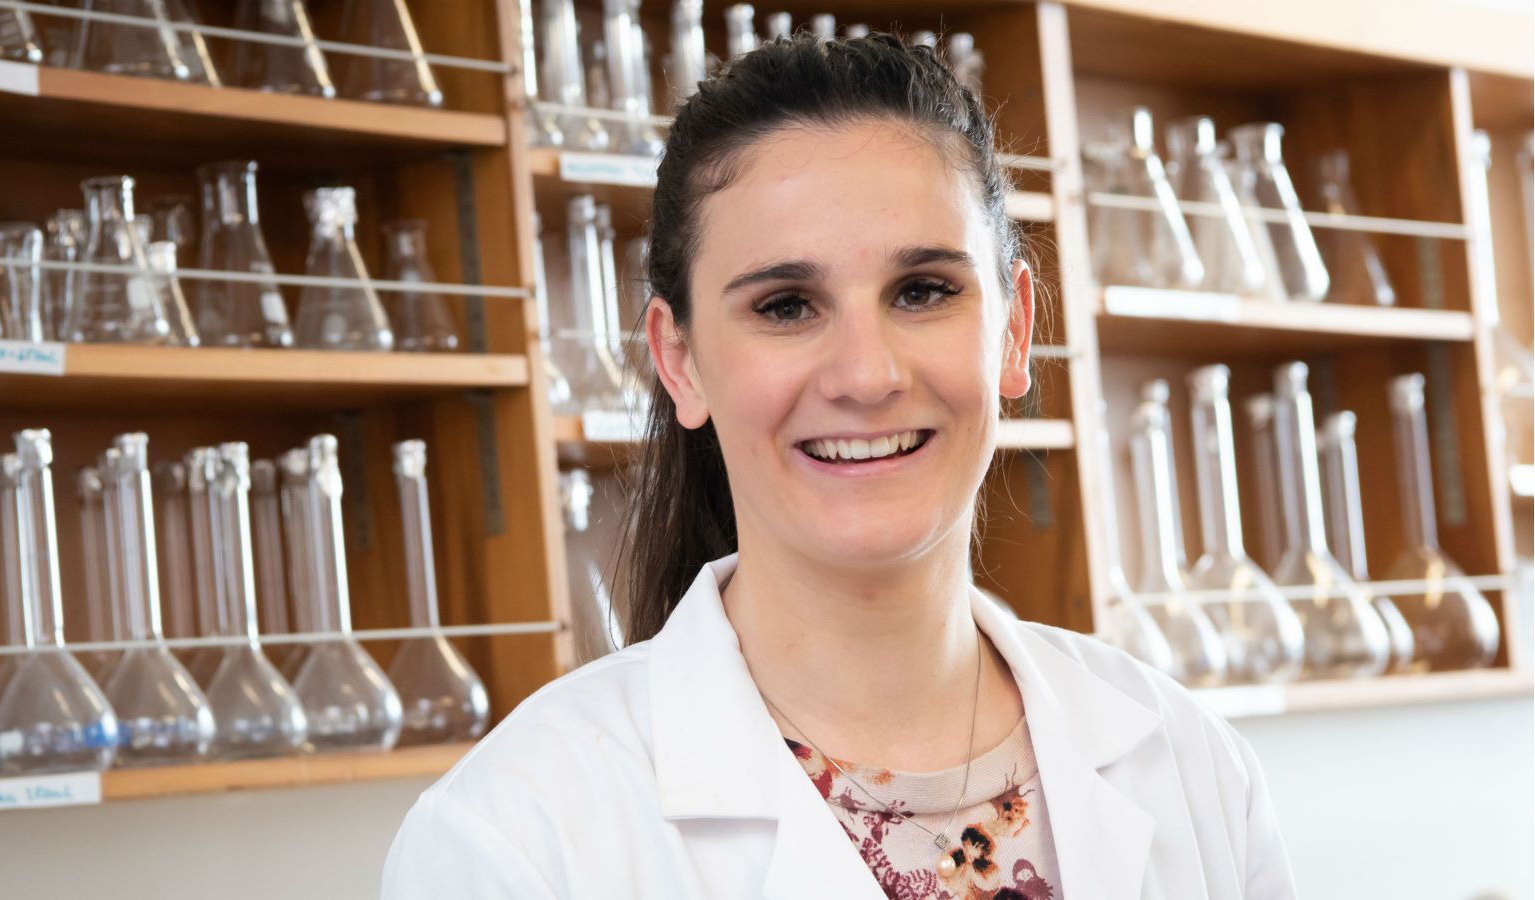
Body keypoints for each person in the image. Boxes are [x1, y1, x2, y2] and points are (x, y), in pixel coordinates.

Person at [382, 32, 1296, 899]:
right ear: (679, 360)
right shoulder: (514, 837)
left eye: (924, 291)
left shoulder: (1191, 766)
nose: (867, 375)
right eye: (786, 306)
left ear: (1014, 332)